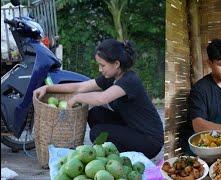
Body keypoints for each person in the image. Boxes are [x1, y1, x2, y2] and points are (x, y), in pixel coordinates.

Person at [33, 39, 164, 159]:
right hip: (131, 127)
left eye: (103, 65)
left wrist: (77, 98)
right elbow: (80, 86)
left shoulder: (130, 80)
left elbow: (102, 98)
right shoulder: (110, 77)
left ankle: (115, 155)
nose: (100, 69)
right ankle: (113, 151)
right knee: (95, 113)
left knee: (97, 133)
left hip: (150, 141)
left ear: (116, 64)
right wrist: (48, 88)